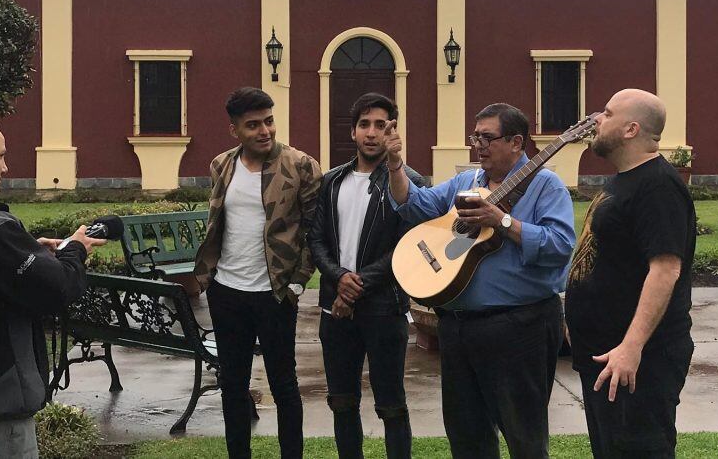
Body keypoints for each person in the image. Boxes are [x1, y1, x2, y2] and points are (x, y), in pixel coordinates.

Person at [386, 103, 576, 459]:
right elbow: (412, 204)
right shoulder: (467, 182)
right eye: (476, 137)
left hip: (520, 327)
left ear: (517, 142)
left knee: (524, 436)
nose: (479, 145)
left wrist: (502, 221)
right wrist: (396, 163)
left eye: (487, 138)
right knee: (466, 435)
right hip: (458, 328)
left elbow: (560, 246)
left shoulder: (545, 185)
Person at [565, 89, 696, 458]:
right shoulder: (626, 180)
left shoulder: (658, 185)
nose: (596, 119)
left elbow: (666, 269)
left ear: (631, 129)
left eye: (607, 114)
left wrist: (631, 346)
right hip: (606, 357)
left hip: (639, 362)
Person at [193, 87, 322, 459]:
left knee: (284, 385)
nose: (264, 131)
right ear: (234, 129)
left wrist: (298, 282)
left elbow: (317, 229)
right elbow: (219, 221)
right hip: (227, 291)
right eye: (253, 125)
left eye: (268, 121)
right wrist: (209, 277)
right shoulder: (222, 165)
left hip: (275, 292)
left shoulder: (300, 165)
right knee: (233, 385)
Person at [309, 93, 426, 459]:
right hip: (335, 312)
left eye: (381, 125)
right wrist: (338, 277)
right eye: (364, 125)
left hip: (383, 310)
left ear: (393, 130)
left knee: (391, 404)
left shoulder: (407, 182)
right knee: (341, 402)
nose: (372, 133)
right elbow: (316, 239)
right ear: (353, 131)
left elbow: (407, 245)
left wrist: (354, 285)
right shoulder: (332, 181)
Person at [0, 126, 105, 459]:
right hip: (3, 406)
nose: (5, 168)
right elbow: (57, 288)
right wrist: (76, 251)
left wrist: (29, 251)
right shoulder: (0, 232)